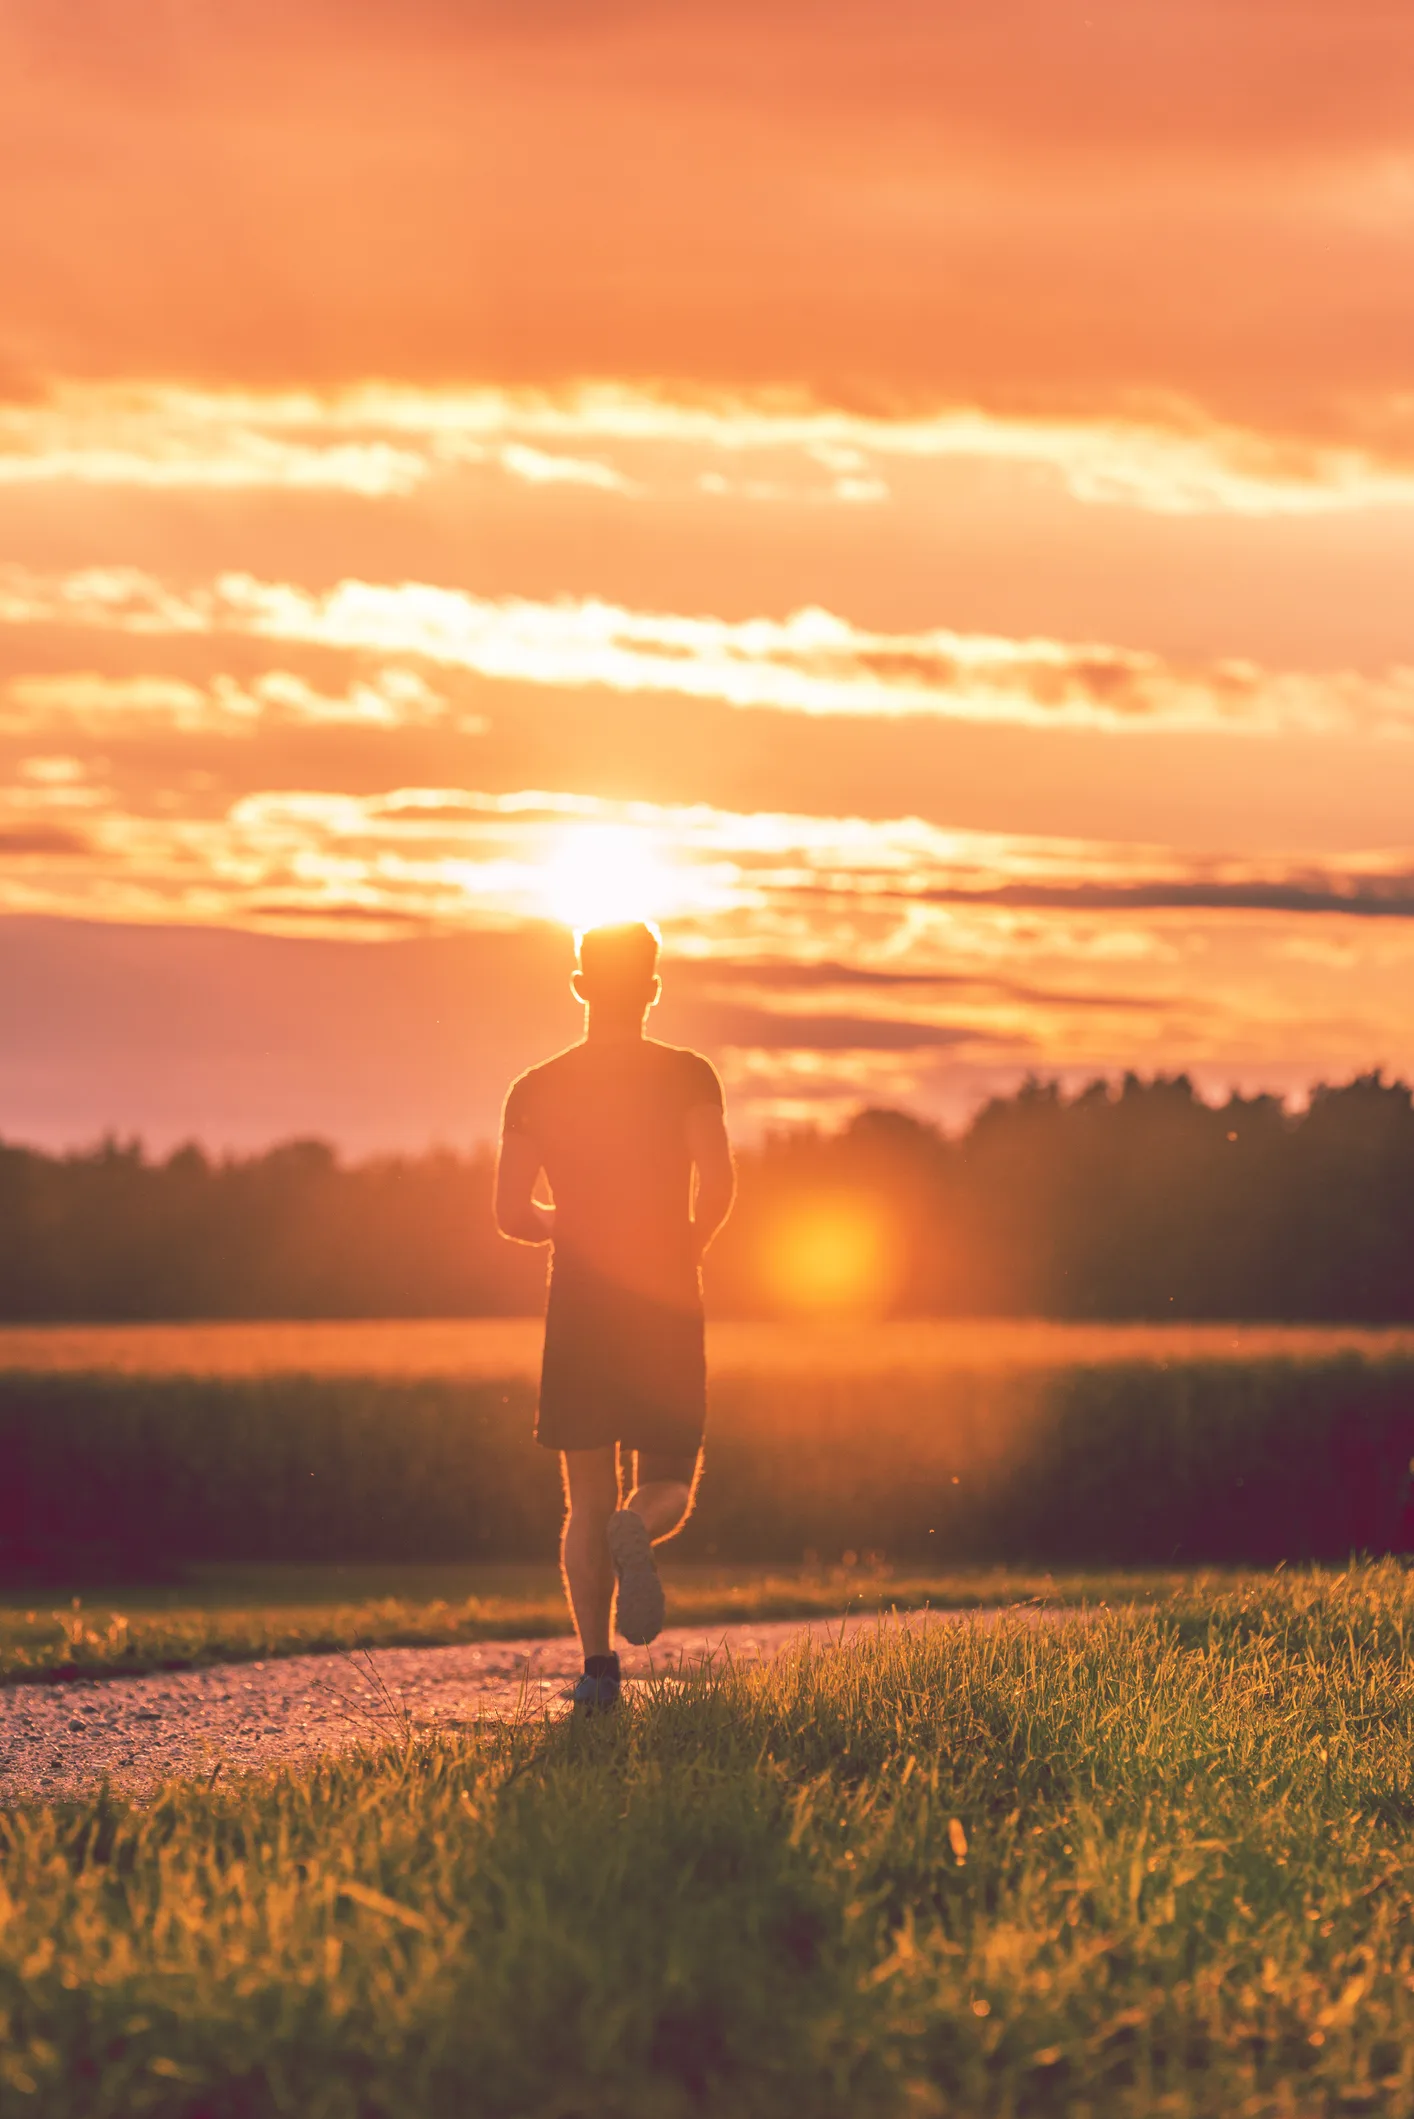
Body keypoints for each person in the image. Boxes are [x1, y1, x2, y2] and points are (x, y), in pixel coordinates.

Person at [494, 920, 735, 1714]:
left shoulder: (535, 1086)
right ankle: (641, 1523)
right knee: (668, 1478)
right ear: (653, 988)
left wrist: (570, 1223)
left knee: (583, 1498)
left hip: (580, 1305)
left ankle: (599, 1673)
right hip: (666, 1294)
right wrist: (687, 1247)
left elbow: (510, 1211)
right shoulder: (688, 1073)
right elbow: (720, 1180)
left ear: (580, 984)